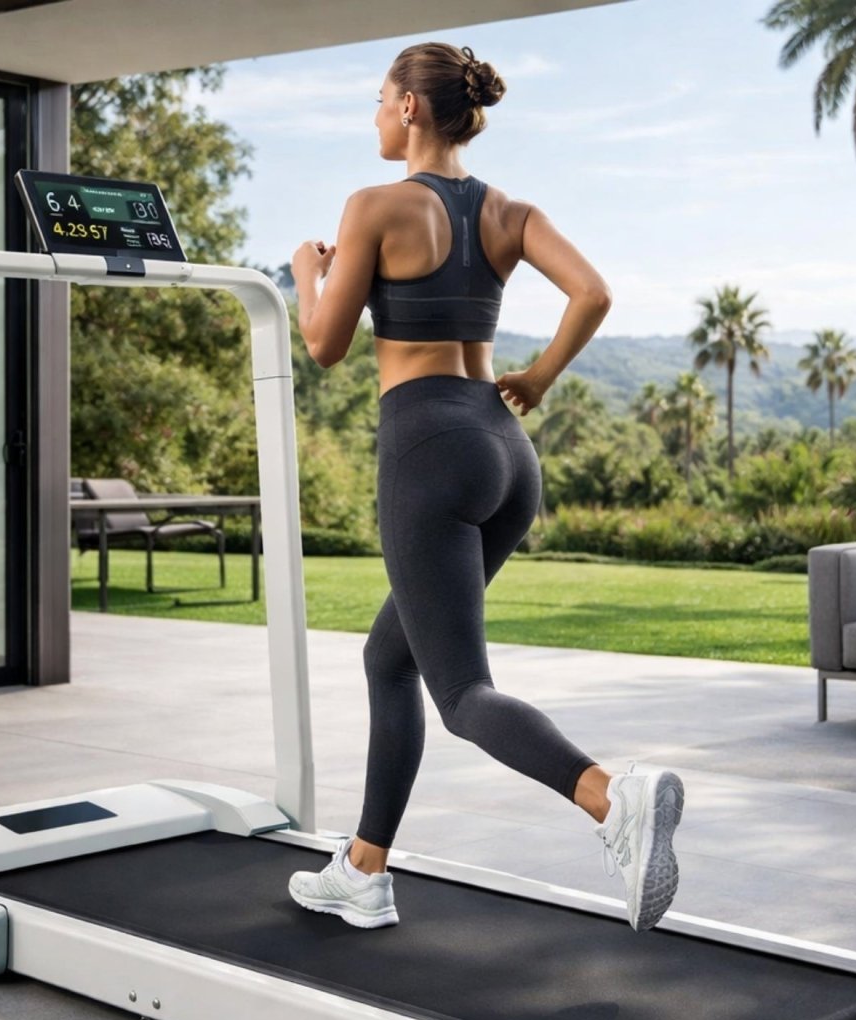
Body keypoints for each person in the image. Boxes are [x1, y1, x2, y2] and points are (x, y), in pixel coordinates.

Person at [286, 41, 684, 934]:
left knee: (461, 693)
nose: (377, 116)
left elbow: (324, 343)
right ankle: (363, 869)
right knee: (389, 657)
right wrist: (538, 379)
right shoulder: (509, 211)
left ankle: (609, 796)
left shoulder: (375, 206)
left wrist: (307, 269)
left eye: (381, 101)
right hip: (505, 451)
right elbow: (593, 293)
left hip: (426, 445)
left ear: (412, 110)